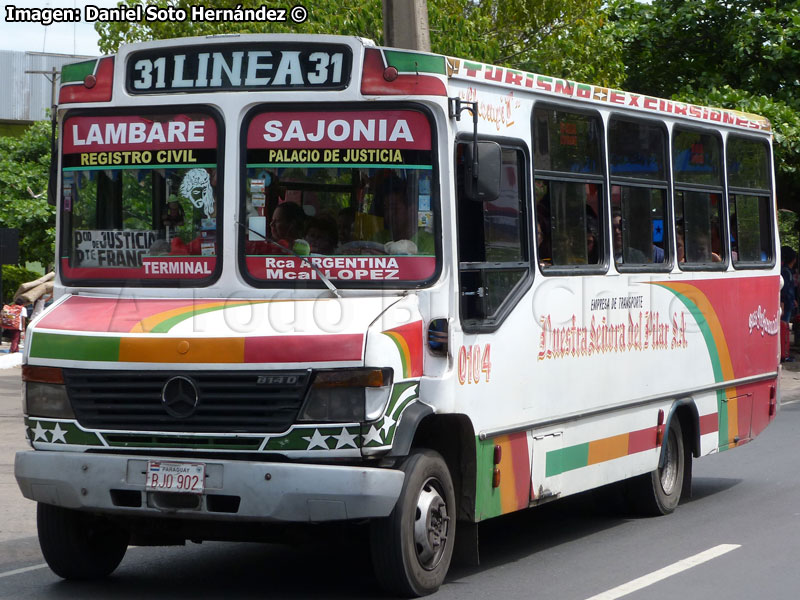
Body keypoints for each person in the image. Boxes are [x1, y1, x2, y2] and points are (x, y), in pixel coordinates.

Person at [780, 246, 797, 362]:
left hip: (788, 303)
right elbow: (785, 290)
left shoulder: (786, 271)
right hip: (786, 304)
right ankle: (784, 354)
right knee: (784, 328)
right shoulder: (786, 272)